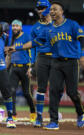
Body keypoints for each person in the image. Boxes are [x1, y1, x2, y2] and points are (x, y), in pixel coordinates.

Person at [5, 0, 63, 127]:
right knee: (40, 89)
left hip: (56, 60)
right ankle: (37, 116)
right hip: (40, 60)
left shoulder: (59, 24)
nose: (40, 10)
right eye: (39, 8)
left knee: (56, 90)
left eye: (43, 8)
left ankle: (54, 112)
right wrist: (33, 65)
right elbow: (34, 47)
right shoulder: (35, 27)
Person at [34, 1, 84, 130]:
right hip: (56, 62)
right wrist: (16, 48)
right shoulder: (49, 29)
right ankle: (54, 121)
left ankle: (81, 114)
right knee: (53, 91)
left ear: (62, 11)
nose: (52, 11)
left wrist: (82, 55)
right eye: (51, 10)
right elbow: (36, 42)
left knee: (73, 92)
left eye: (55, 9)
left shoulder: (72, 24)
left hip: (71, 62)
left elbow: (81, 39)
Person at [8, 19, 36, 123]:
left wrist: (31, 67)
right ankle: (13, 114)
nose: (14, 28)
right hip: (14, 68)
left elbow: (33, 51)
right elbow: (9, 55)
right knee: (11, 91)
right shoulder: (12, 38)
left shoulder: (26, 36)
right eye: (13, 26)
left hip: (25, 68)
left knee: (26, 93)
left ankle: (33, 112)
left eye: (16, 26)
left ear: (21, 27)